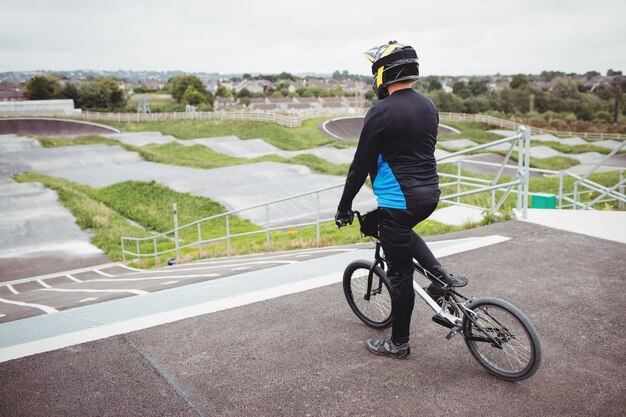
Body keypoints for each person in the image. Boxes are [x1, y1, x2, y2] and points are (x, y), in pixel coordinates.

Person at [335, 41, 468, 360]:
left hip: (400, 200)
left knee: (400, 277)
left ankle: (399, 343)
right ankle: (441, 277)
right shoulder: (429, 106)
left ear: (383, 74)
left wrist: (344, 207)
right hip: (430, 195)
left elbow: (360, 166)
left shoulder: (380, 113)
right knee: (401, 229)